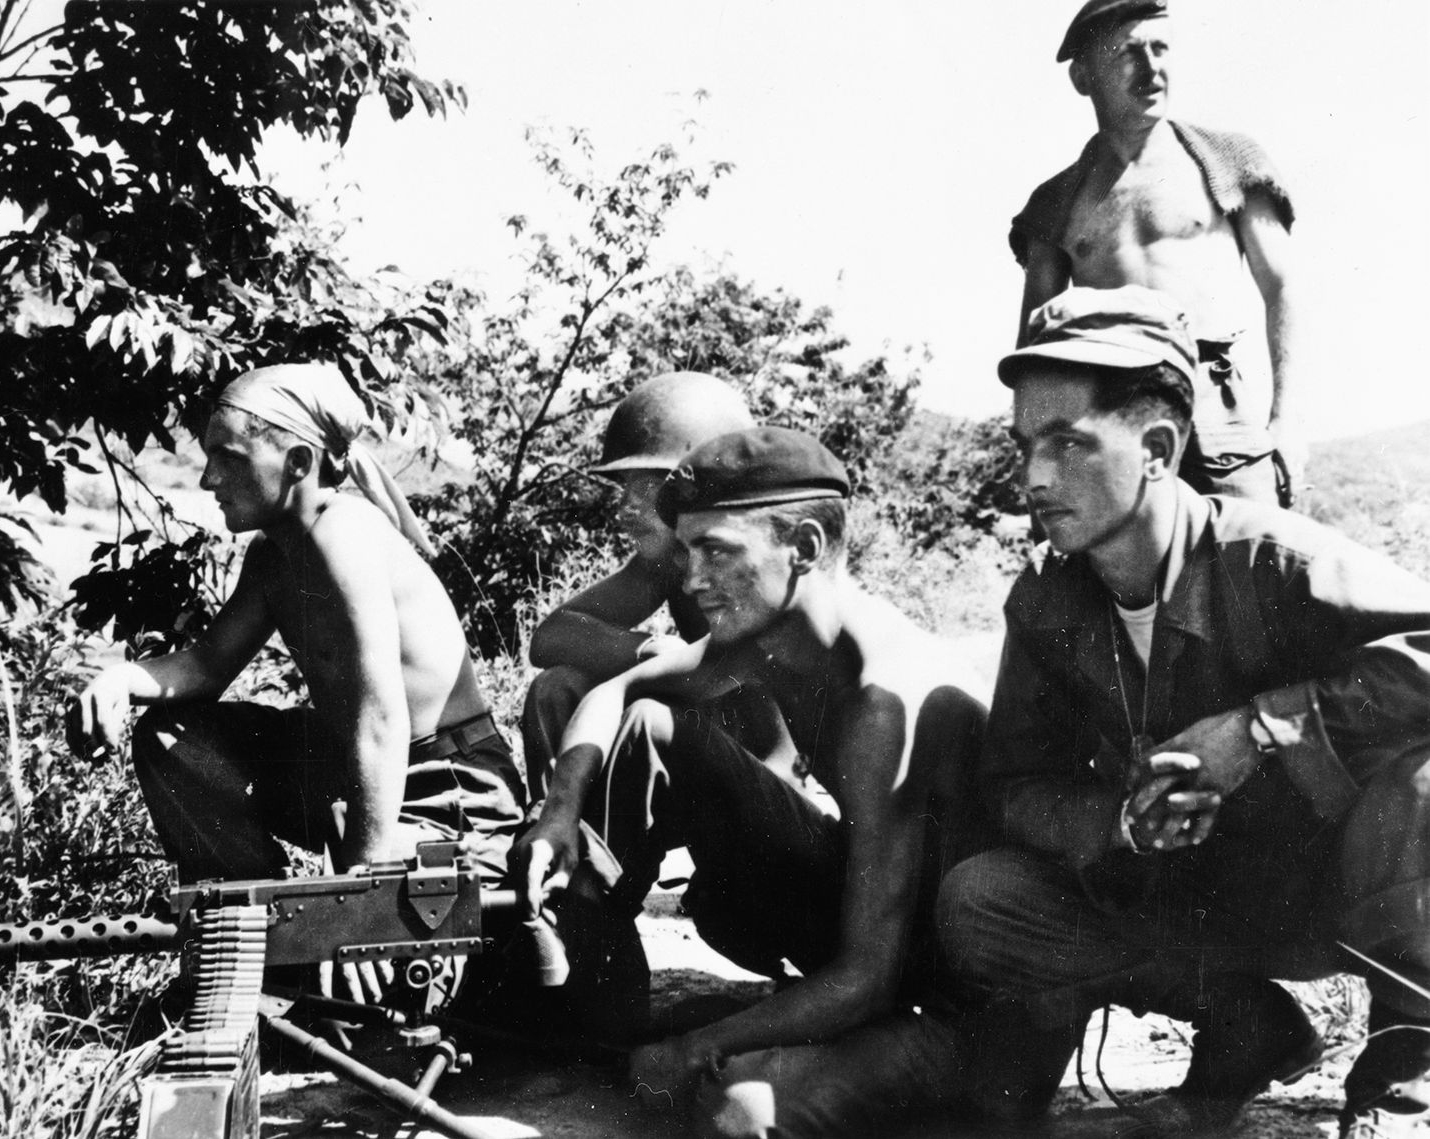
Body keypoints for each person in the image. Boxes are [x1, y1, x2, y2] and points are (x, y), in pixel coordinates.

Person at [938, 286, 1430, 1139]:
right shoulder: (1044, 604)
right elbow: (1015, 781)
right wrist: (1121, 823)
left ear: (1159, 447)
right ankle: (1248, 1025)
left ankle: (1405, 1066)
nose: (1034, 478)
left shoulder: (1272, 559)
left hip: (1329, 890)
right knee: (983, 898)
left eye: (1067, 443)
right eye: (1025, 446)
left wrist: (1264, 727)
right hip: (1195, 897)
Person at [511, 427, 988, 1137]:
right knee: (652, 722)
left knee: (737, 1112)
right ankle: (593, 999)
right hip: (876, 928)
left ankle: (777, 1038)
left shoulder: (884, 697)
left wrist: (694, 1047)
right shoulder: (773, 633)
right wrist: (558, 810)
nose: (691, 576)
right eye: (686, 549)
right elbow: (616, 691)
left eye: (715, 551)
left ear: (803, 547)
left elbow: (868, 976)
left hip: (956, 1005)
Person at [70, 362, 526, 907]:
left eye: (229, 459)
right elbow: (208, 666)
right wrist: (121, 679)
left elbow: (380, 720)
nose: (208, 479)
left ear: (298, 463)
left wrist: (361, 891)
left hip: (446, 788)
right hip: (354, 769)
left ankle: (300, 937)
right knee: (172, 738)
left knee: (352, 953)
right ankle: (250, 918)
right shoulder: (272, 553)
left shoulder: (345, 534)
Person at [1011, 0, 1305, 506]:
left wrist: (1288, 420)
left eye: (1160, 47)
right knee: (1111, 573)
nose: (1151, 68)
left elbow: (1283, 287)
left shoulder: (1227, 163)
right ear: (1083, 78)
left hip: (1216, 408)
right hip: (1109, 413)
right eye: (1127, 53)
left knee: (1252, 565)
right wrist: (1038, 449)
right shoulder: (1055, 203)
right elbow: (1035, 339)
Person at [521, 371, 755, 801]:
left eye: (645, 489)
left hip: (750, 780)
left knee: (647, 716)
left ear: (702, 490)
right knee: (555, 687)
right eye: (624, 489)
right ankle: (560, 842)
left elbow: (782, 757)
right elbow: (550, 637)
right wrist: (650, 650)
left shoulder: (758, 576)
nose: (624, 510)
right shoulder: (664, 564)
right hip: (693, 740)